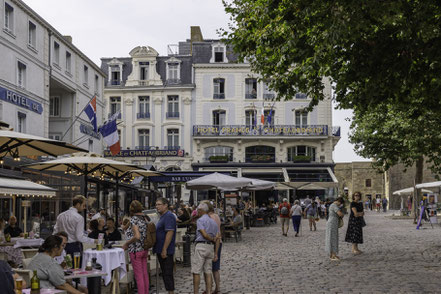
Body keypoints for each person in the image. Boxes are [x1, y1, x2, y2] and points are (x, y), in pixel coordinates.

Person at [53, 195, 96, 260]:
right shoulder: (79, 218)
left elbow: (55, 232)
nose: (84, 208)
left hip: (61, 246)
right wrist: (93, 240)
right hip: (74, 247)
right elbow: (79, 237)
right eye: (84, 205)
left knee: (62, 266)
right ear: (78, 204)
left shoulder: (60, 215)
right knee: (76, 267)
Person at [192, 202, 220, 294]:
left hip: (201, 246)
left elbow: (204, 234)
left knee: (196, 271)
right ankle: (209, 291)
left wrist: (211, 238)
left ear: (201, 210)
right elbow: (218, 238)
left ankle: (195, 292)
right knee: (208, 271)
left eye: (198, 210)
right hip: (210, 247)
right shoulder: (213, 222)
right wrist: (216, 252)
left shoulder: (200, 220)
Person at [122, 200, 149, 294]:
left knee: (139, 275)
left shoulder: (134, 219)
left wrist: (126, 243)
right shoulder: (145, 218)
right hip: (144, 248)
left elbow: (137, 236)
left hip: (135, 250)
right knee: (144, 273)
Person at [153, 197, 177, 294]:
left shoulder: (168, 216)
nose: (157, 206)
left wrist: (164, 249)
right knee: (165, 273)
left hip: (166, 250)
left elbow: (170, 232)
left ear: (165, 205)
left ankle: (171, 292)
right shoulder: (162, 216)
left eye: (159, 204)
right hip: (160, 249)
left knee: (167, 273)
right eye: (156, 204)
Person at [203, 200, 222, 294]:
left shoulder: (210, 217)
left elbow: (214, 234)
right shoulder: (216, 216)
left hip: (212, 242)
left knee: (208, 267)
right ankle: (217, 287)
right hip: (218, 242)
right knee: (215, 267)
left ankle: (209, 288)